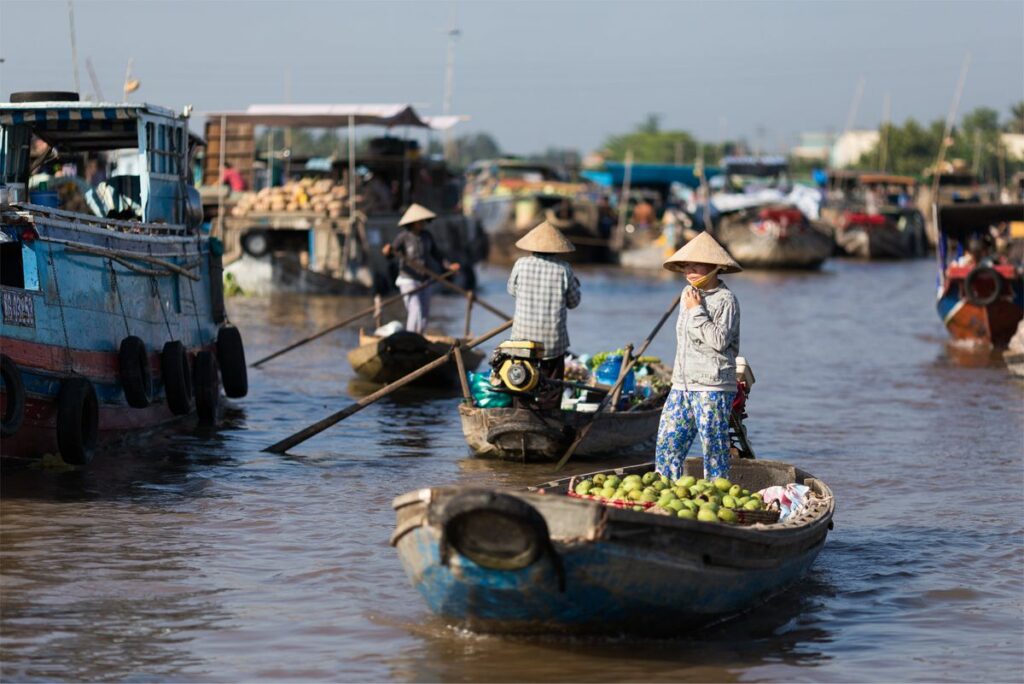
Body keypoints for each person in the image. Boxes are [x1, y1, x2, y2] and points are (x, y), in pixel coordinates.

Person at [656, 232, 742, 482]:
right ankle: (664, 494)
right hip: (681, 383)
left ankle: (716, 495)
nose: (689, 269)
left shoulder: (726, 300)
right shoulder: (688, 294)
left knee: (713, 451)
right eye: (686, 264)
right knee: (667, 445)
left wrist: (696, 311)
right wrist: (692, 305)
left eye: (697, 264)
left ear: (715, 267)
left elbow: (718, 341)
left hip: (712, 386)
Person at [507, 220, 581, 408]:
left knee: (520, 378)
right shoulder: (564, 269)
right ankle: (549, 414)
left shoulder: (521, 264)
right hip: (552, 341)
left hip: (522, 338)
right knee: (553, 381)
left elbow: (512, 290)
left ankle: (521, 410)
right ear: (557, 250)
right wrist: (575, 285)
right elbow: (574, 303)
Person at [382, 203, 459, 334]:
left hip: (424, 280)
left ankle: (419, 337)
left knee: (424, 314)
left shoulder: (427, 236)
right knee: (415, 309)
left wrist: (449, 266)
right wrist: (387, 251)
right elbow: (390, 253)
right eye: (420, 221)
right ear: (413, 222)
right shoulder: (403, 237)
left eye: (424, 221)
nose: (423, 223)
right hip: (408, 280)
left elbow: (437, 256)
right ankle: (410, 338)